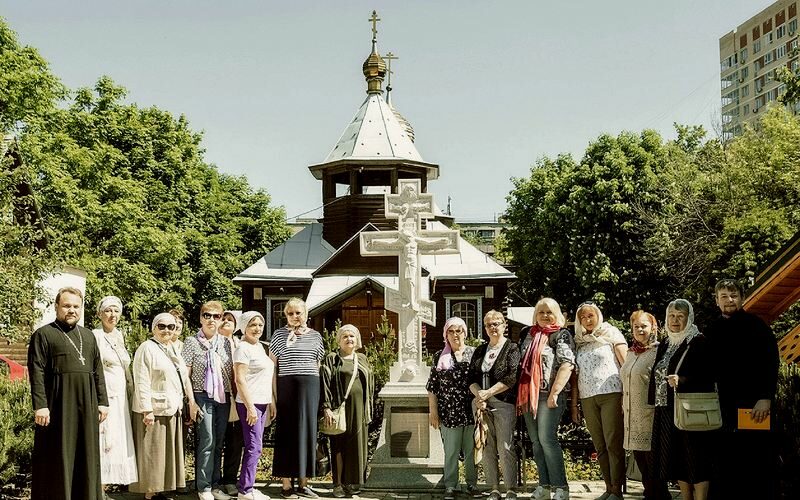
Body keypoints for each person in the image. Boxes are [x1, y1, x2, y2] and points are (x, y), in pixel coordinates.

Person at [28, 286, 109, 500]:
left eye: (76, 306)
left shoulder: (89, 336)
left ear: (81, 308)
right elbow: (36, 371)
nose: (71, 310)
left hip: (87, 406)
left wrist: (103, 401)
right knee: (58, 456)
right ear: (57, 307)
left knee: (86, 455)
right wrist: (40, 405)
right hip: (57, 406)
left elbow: (97, 370)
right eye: (66, 306)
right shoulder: (43, 334)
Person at [705, 279, 779, 499]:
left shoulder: (756, 326)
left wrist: (765, 398)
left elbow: (771, 363)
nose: (729, 300)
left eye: (733, 295)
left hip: (753, 406)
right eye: (724, 296)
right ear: (717, 300)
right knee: (724, 462)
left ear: (742, 298)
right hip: (722, 408)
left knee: (755, 461)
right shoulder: (712, 329)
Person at [648, 299, 715, 500]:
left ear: (689, 318)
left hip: (688, 408)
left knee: (695, 458)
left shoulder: (697, 341)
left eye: (680, 316)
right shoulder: (666, 343)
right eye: (671, 316)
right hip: (666, 408)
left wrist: (683, 380)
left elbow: (708, 375)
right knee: (677, 459)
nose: (675, 320)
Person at [130, 313, 199, 500]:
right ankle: (150, 493)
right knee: (153, 452)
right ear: (153, 328)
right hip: (154, 410)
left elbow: (183, 378)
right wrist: (147, 410)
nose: (166, 330)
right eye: (162, 326)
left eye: (171, 326)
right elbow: (142, 380)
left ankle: (160, 490)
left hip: (172, 408)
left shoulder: (172, 348)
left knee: (165, 453)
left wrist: (190, 403)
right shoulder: (146, 348)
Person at [518, 298, 575, 500]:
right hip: (528, 395)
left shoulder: (561, 335)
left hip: (549, 395)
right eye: (540, 312)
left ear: (556, 314)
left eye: (549, 312)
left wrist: (555, 393)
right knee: (536, 442)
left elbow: (567, 364)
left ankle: (561, 487)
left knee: (547, 439)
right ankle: (544, 486)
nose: (544, 315)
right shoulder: (527, 334)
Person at [571, 301, 627, 500]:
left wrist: (626, 397)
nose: (587, 320)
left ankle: (617, 490)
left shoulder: (611, 334)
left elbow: (626, 366)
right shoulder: (579, 341)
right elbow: (575, 377)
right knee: (600, 445)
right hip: (588, 397)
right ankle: (608, 487)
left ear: (598, 316)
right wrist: (574, 405)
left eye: (590, 316)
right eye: (583, 317)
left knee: (613, 443)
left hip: (611, 393)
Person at [269, 298, 325, 499]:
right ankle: (286, 486)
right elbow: (272, 368)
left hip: (310, 389)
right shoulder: (278, 335)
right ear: (286, 315)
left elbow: (317, 365)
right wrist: (272, 398)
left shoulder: (316, 336)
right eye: (290, 313)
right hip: (286, 389)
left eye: (298, 313)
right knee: (286, 434)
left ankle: (303, 483)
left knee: (308, 434)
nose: (294, 317)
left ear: (305, 314)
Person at [183, 301, 235, 500]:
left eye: (216, 316)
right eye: (207, 315)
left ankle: (215, 484)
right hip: (201, 395)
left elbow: (231, 372)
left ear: (222, 319)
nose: (211, 319)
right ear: (200, 318)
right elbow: (185, 375)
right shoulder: (191, 342)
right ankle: (203, 486)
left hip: (223, 396)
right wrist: (191, 402)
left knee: (219, 441)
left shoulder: (225, 342)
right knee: (207, 440)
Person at [468, 310, 520, 500]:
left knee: (505, 447)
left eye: (496, 323)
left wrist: (488, 392)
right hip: (481, 404)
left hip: (503, 403)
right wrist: (479, 396)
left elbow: (512, 376)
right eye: (489, 325)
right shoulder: (481, 350)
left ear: (504, 325)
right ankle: (494, 489)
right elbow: (471, 377)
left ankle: (510, 489)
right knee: (487, 446)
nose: (493, 328)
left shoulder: (512, 348)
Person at [426, 318, 479, 500]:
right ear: (446, 334)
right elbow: (432, 387)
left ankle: (472, 484)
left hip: (471, 411)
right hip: (449, 412)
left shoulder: (474, 353)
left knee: (471, 450)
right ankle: (451, 485)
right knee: (451, 451)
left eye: (459, 331)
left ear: (465, 332)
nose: (455, 335)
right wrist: (433, 411)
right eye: (451, 331)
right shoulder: (439, 356)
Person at [620, 311, 669, 500]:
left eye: (644, 326)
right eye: (636, 326)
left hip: (650, 416)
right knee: (642, 465)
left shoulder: (659, 351)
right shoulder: (630, 352)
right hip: (631, 416)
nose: (640, 330)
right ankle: (651, 495)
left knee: (654, 465)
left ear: (654, 327)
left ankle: (660, 497)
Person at [321, 324, 375, 498]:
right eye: (345, 336)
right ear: (339, 339)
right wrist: (326, 407)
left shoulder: (363, 358)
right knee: (338, 446)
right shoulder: (332, 358)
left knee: (356, 446)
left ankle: (353, 483)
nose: (349, 339)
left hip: (360, 410)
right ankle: (338, 484)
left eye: (352, 336)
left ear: (357, 339)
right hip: (339, 409)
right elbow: (325, 384)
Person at [92, 296, 138, 490]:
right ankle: (98, 486)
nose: (112, 315)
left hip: (121, 397)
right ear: (100, 313)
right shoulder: (95, 335)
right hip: (106, 396)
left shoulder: (119, 335)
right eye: (108, 311)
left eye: (116, 311)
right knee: (105, 439)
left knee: (117, 441)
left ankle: (110, 485)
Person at [233, 311, 275, 500]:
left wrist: (271, 401)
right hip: (250, 403)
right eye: (252, 325)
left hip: (262, 402)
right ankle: (245, 490)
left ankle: (247, 486)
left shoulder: (259, 347)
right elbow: (239, 379)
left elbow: (265, 377)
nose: (257, 328)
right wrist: (250, 407)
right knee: (254, 447)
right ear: (244, 327)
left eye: (260, 325)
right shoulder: (243, 348)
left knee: (255, 446)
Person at [221, 310, 244, 497]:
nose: (226, 321)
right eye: (223, 318)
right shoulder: (210, 343)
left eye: (230, 319)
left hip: (236, 399)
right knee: (214, 442)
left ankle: (229, 479)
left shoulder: (240, 344)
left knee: (235, 442)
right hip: (217, 397)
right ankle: (210, 480)